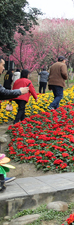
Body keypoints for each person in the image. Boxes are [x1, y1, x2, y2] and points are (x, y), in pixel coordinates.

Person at [0, 57, 29, 190]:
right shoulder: (26, 81)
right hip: (21, 97)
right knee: (21, 110)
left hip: (16, 98)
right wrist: (20, 92)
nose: (3, 68)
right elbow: (3, 92)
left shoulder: (16, 79)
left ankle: (1, 177)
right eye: (3, 64)